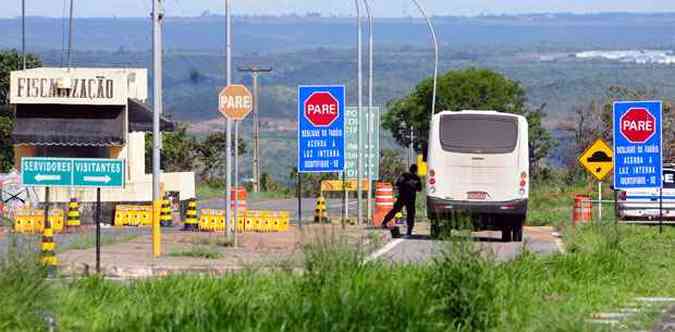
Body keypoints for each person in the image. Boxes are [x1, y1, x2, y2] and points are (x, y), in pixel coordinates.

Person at [381, 164, 422, 237]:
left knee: (395, 210)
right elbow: (419, 189)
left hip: (402, 197)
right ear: (416, 170)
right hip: (410, 198)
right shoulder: (417, 178)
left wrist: (403, 186)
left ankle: (384, 223)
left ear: (410, 169)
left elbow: (397, 184)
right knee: (410, 214)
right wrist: (413, 186)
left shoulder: (404, 175)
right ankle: (409, 231)